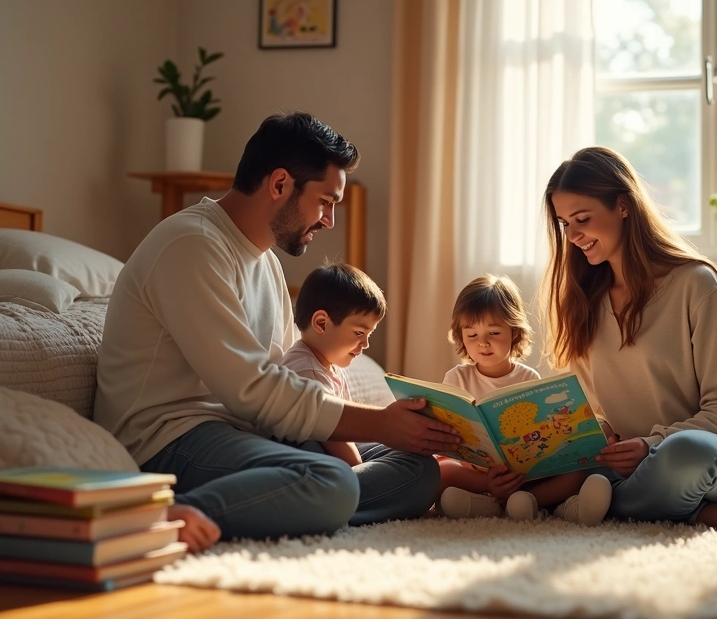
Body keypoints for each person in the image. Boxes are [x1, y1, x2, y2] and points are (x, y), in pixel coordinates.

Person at [94, 112, 461, 545]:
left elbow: (285, 383)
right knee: (332, 481)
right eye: (325, 201)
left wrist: (392, 431)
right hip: (172, 439)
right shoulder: (191, 245)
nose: (329, 221)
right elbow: (250, 389)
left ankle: (293, 503)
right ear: (280, 184)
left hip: (245, 432)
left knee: (418, 468)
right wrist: (378, 423)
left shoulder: (265, 261)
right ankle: (170, 517)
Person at [540, 146, 717, 534]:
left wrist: (650, 444)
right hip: (634, 465)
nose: (574, 236)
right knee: (568, 463)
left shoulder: (696, 283)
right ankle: (716, 517)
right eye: (565, 223)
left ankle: (582, 508)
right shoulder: (584, 302)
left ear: (623, 206)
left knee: (684, 454)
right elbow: (592, 409)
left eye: (582, 219)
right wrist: (601, 436)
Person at [436, 274, 612, 525]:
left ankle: (529, 502)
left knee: (580, 466)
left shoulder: (528, 377)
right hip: (478, 475)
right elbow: (448, 442)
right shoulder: (457, 378)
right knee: (440, 471)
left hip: (527, 475)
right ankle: (508, 502)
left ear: (515, 333)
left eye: (493, 332)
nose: (483, 343)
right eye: (471, 335)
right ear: (460, 335)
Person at [279, 262, 388, 467]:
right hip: (310, 463)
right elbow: (336, 437)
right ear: (321, 323)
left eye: (368, 335)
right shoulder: (305, 370)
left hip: (334, 458)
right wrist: (362, 474)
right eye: (359, 333)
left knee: (403, 452)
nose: (365, 344)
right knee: (414, 466)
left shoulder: (328, 365)